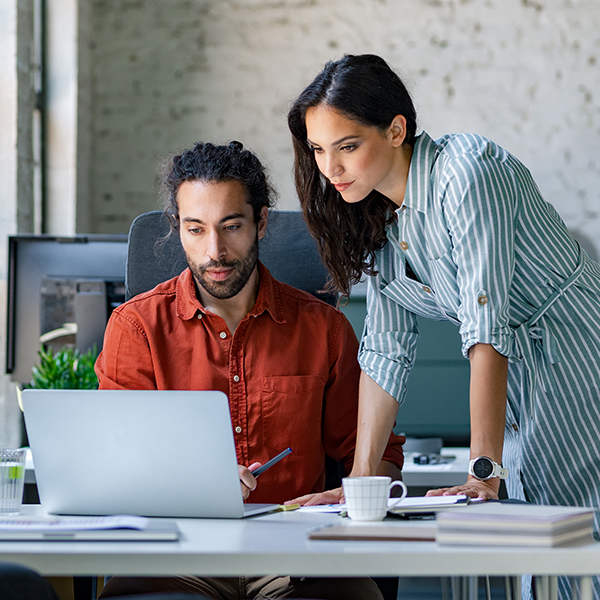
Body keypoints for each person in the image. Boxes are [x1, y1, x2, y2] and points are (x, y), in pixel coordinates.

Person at [288, 54, 600, 600]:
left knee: (570, 540)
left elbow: (486, 327)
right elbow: (385, 350)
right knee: (526, 551)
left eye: (347, 146)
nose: (330, 168)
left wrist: (483, 468)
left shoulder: (467, 173)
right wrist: (361, 481)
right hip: (516, 371)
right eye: (318, 150)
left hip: (574, 353)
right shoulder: (379, 213)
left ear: (396, 129)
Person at [95, 140, 404, 600]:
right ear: (177, 228)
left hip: (297, 557)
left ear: (261, 223)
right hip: (177, 557)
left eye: (231, 226)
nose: (214, 251)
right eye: (195, 229)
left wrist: (360, 489)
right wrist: (198, 483)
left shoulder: (324, 329)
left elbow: (378, 454)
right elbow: (114, 464)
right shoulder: (136, 327)